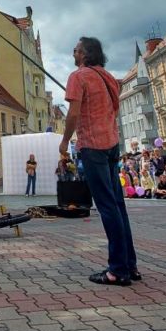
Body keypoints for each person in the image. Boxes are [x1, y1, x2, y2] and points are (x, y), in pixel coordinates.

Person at [60, 36, 138, 287]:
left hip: (92, 146)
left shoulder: (78, 76)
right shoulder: (109, 78)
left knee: (106, 207)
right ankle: (130, 265)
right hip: (111, 145)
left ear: (84, 54)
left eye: (75, 50)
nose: (73, 53)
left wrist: (64, 142)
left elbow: (72, 114)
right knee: (117, 206)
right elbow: (112, 111)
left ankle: (117, 270)